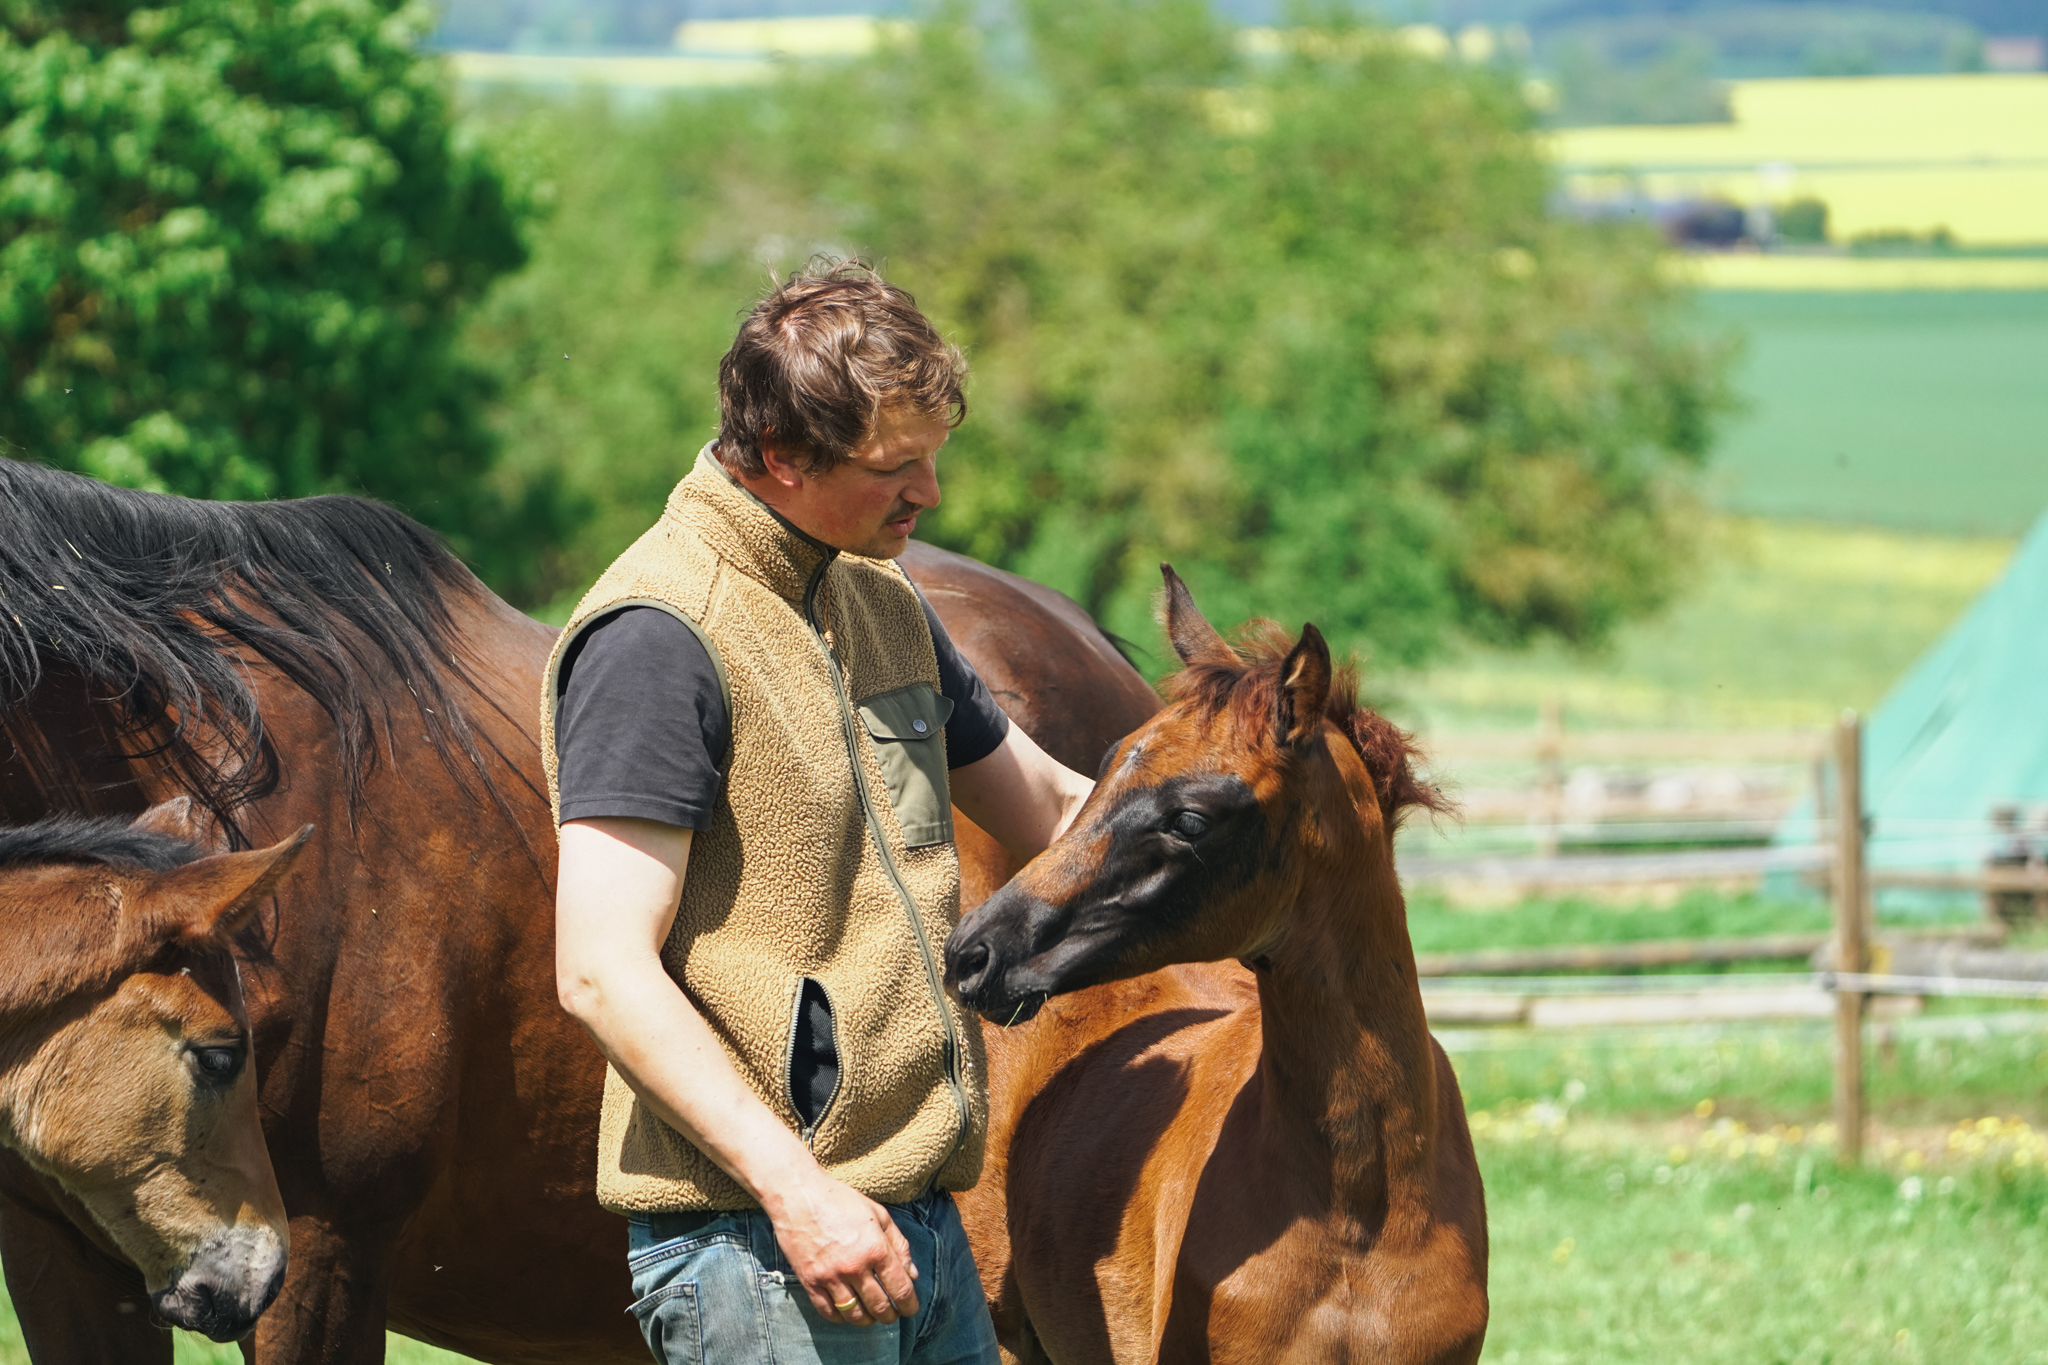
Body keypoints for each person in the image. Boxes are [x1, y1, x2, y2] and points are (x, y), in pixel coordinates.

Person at [542, 259, 1093, 1365]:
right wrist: (801, 1197)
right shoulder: (660, 636)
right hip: (762, 1251)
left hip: (921, 1226)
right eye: (895, 466)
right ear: (781, 458)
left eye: (934, 456)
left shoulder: (876, 597)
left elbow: (1051, 809)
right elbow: (599, 969)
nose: (930, 494)